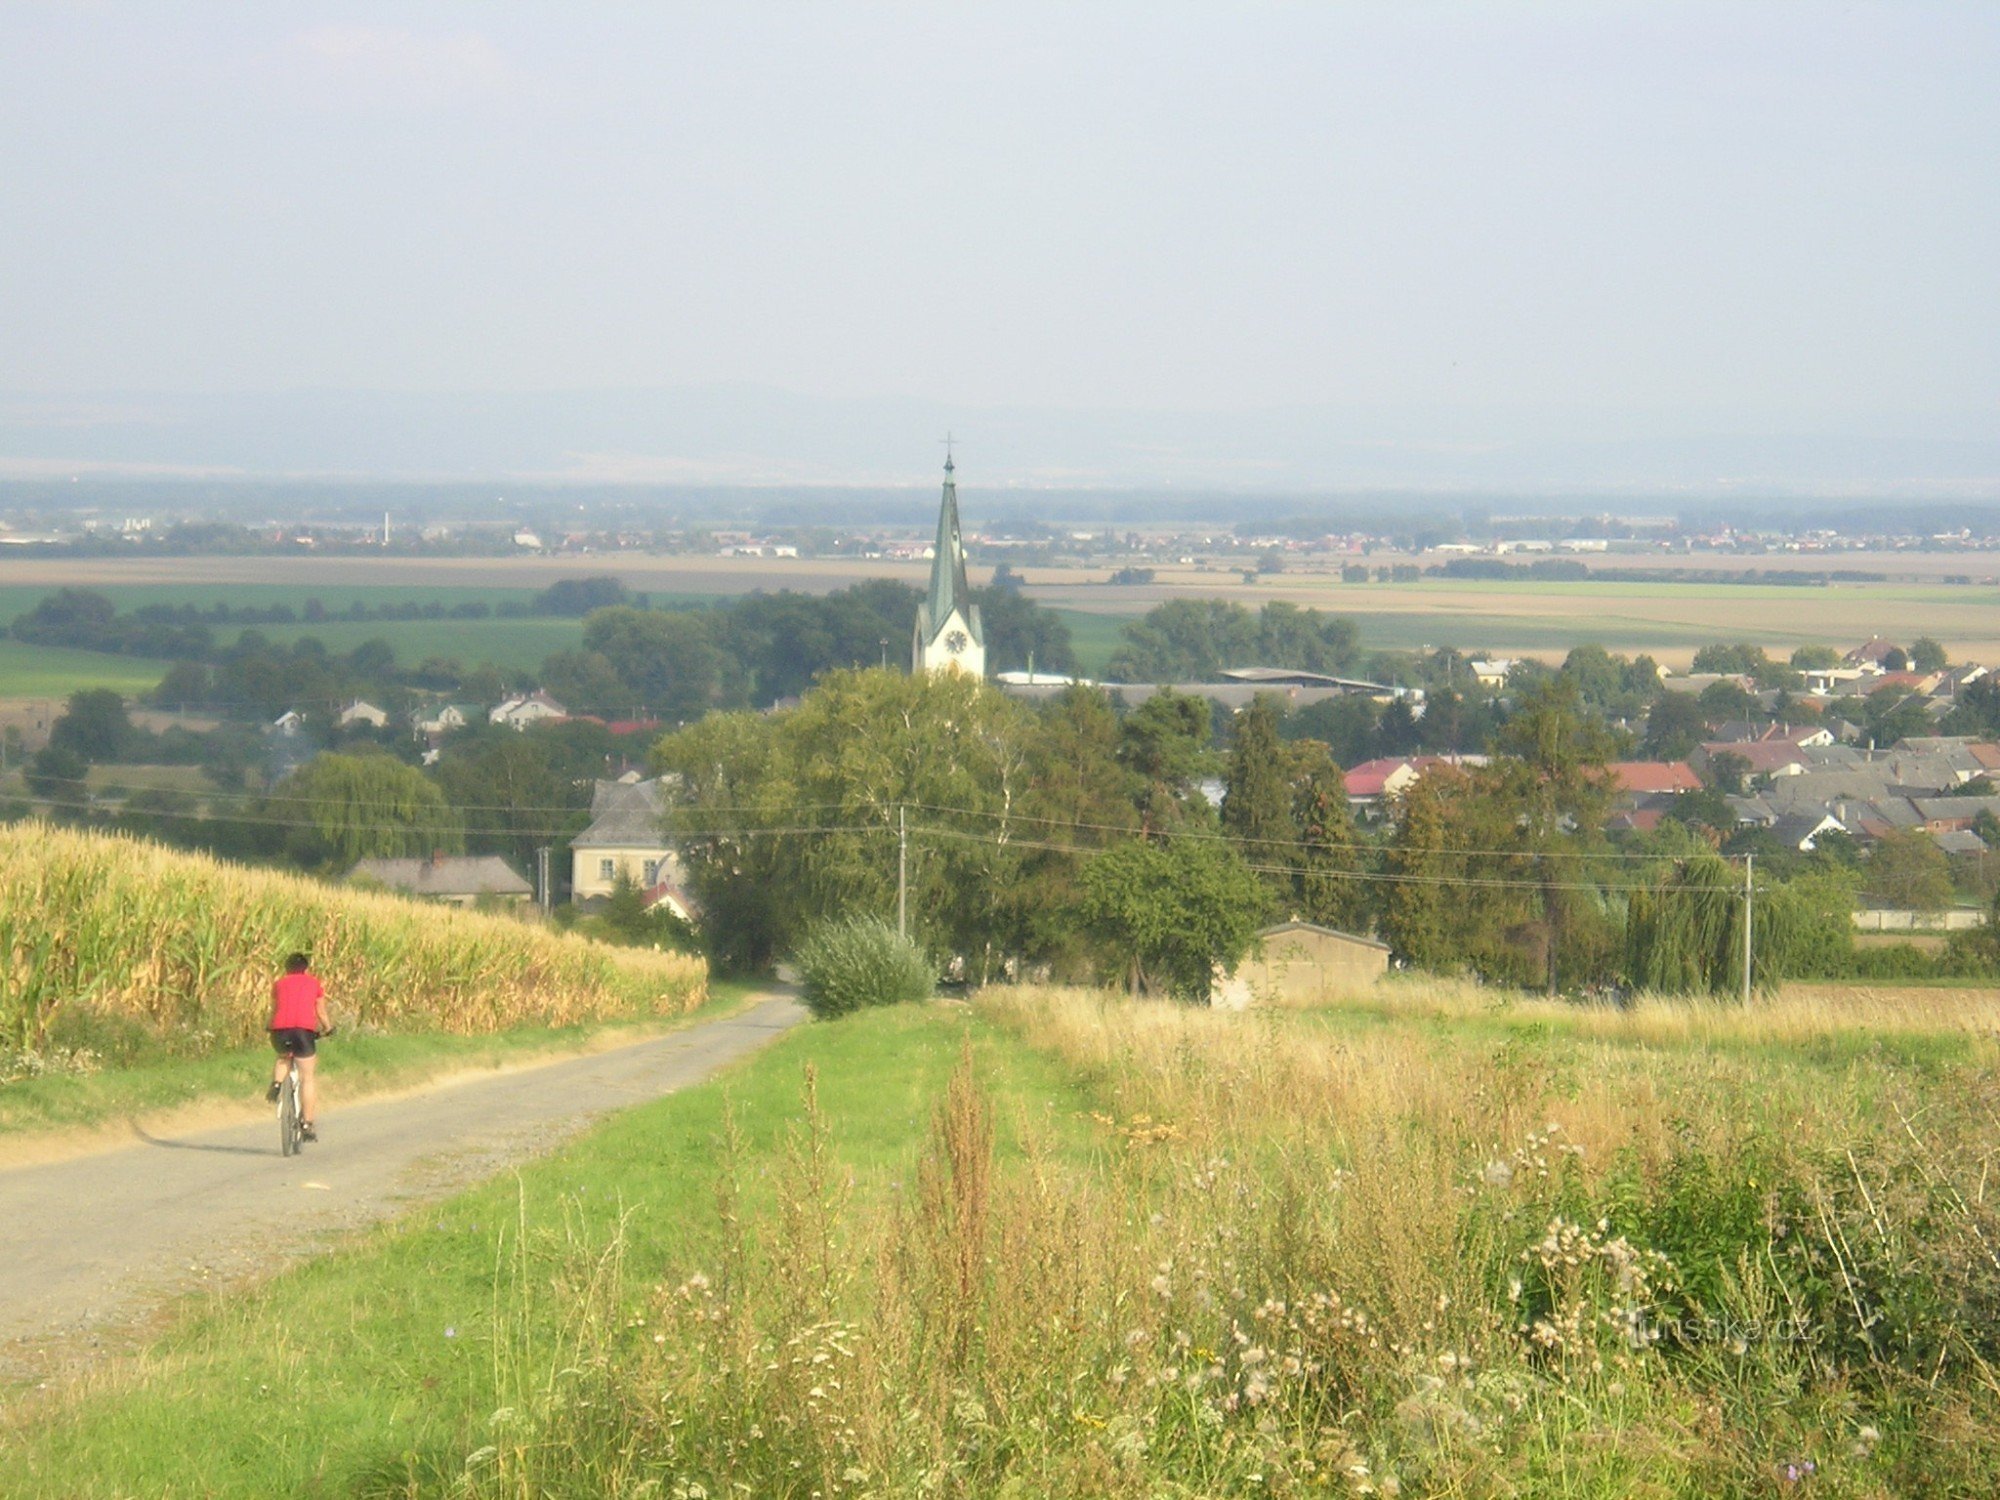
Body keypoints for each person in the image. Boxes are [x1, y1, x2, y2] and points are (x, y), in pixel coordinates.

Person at [267, 952, 331, 1142]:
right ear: (305, 968)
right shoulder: (314, 983)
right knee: (307, 1077)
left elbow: (274, 1009)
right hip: (303, 1032)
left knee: (284, 1056)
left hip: (280, 1031)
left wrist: (269, 1025)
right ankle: (307, 1124)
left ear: (286, 968)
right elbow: (321, 1011)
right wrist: (328, 1028)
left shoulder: (279, 984)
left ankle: (277, 1083)